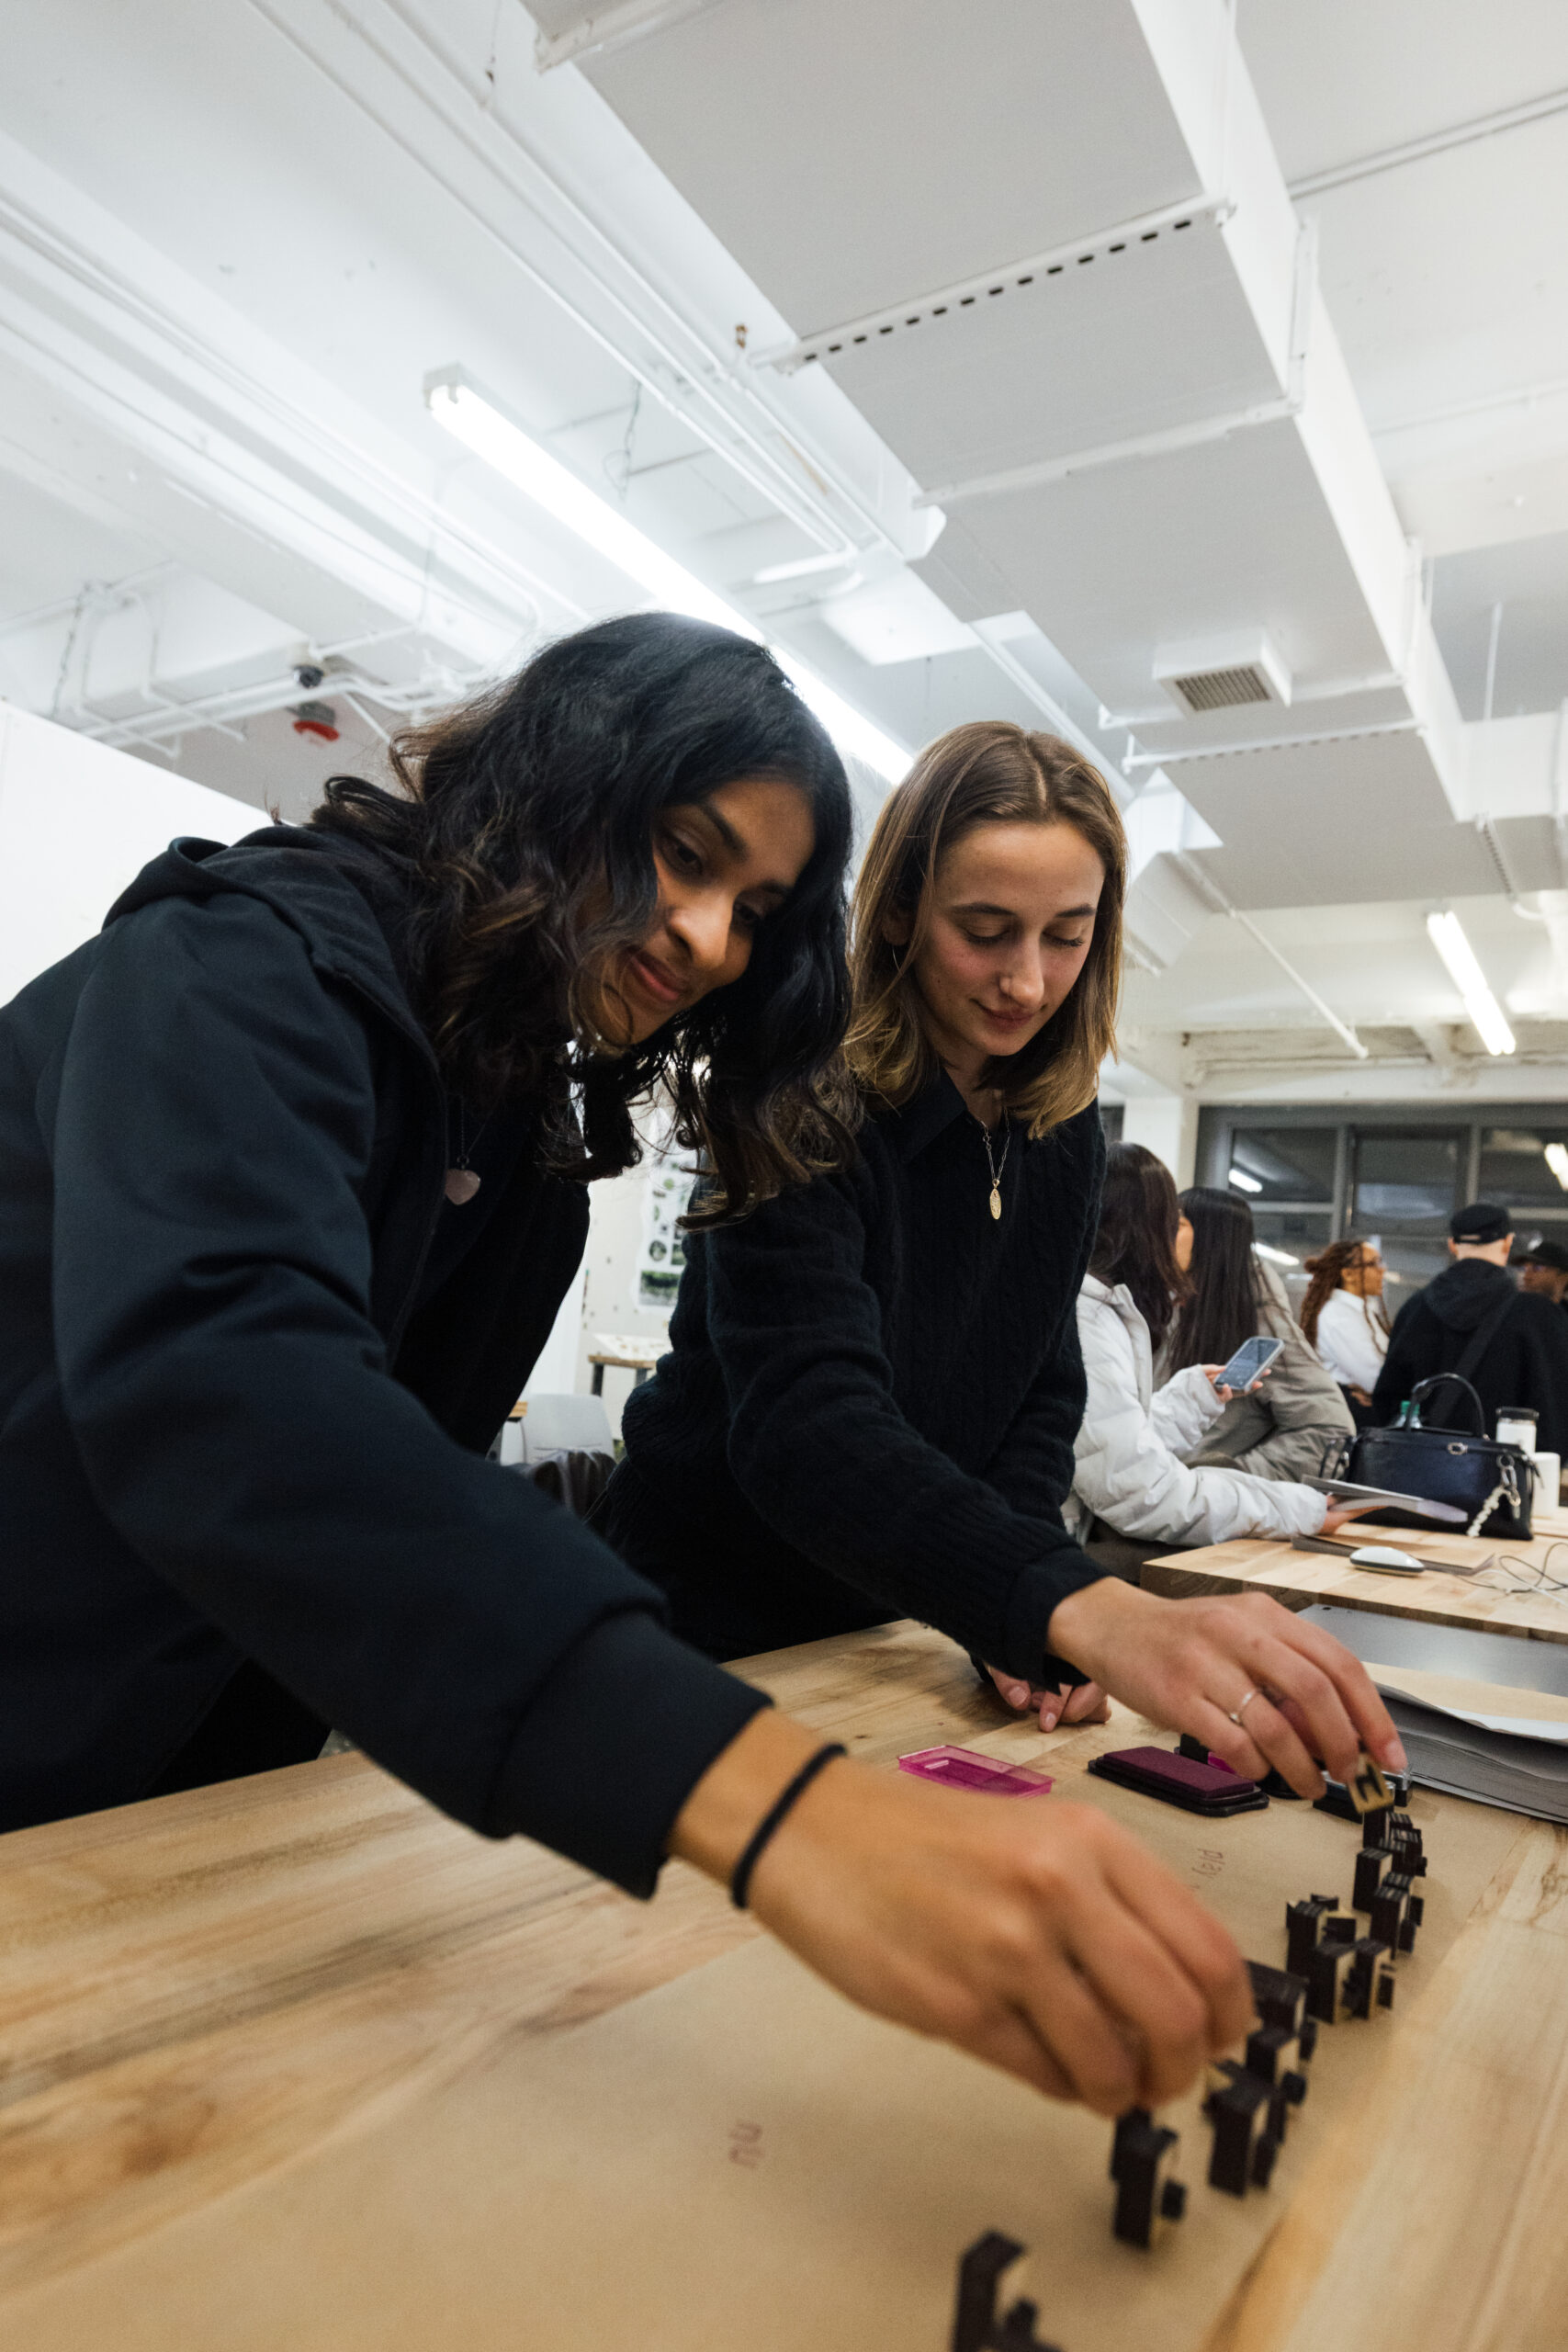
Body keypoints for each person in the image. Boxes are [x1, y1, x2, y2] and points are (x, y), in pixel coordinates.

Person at [0, 615, 1276, 2119]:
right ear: (551, 776)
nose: (709, 936)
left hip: (173, 1792)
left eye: (754, 906)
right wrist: (774, 1804)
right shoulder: (236, 961)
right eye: (682, 852)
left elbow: (370, 1526)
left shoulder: (523, 1149)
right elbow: (239, 1408)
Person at [601, 718, 1401, 1779]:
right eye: (986, 929)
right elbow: (808, 1427)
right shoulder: (800, 1094)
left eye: (1066, 935)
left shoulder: (1064, 1137)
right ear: (898, 913)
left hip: (887, 1630)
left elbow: (1036, 1397)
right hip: (696, 1624)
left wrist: (1008, 1615)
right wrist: (1058, 1593)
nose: (1027, 980)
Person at [1068, 1146, 1370, 1574]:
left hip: (1176, 1510)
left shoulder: (1118, 1310)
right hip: (1126, 1524)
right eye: (1169, 1217)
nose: (1173, 1230)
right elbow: (1131, 1475)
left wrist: (1217, 1456)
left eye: (1182, 1220)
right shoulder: (1101, 1314)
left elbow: (1112, 1444)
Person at [1160, 1188, 1354, 1481]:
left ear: (1211, 1239)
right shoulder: (1169, 1308)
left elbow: (1329, 1432)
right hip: (1150, 1503)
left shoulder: (1257, 1321)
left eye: (1177, 1225)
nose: (1161, 1235)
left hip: (1206, 1513)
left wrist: (1226, 1479)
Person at [1373, 1203, 1568, 1453]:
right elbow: (1555, 1406)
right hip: (1504, 1474)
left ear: (1452, 1245)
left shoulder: (1415, 1308)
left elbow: (1389, 1398)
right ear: (1507, 1243)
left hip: (1421, 1467)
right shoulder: (1538, 1315)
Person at [1301, 1237, 1390, 1424]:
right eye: (1373, 1264)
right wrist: (1383, 1391)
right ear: (1348, 1274)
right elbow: (1374, 1377)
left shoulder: (1362, 1310)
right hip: (1349, 1415)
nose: (1383, 1269)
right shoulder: (1338, 1315)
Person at [1517, 1238, 1568, 1309]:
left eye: (1537, 1268)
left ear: (1563, 1278)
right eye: (1524, 1269)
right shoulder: (1509, 1313)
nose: (1526, 1277)